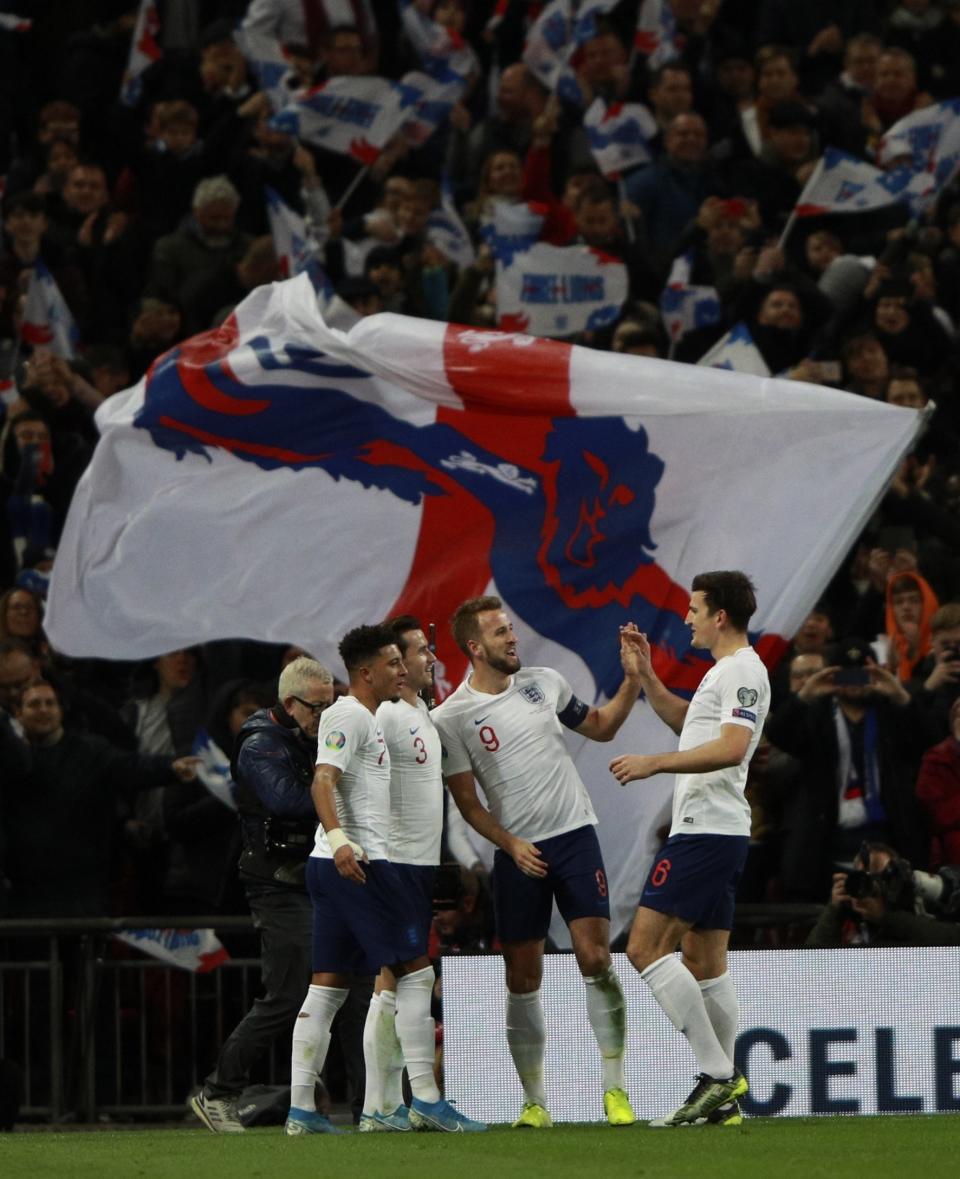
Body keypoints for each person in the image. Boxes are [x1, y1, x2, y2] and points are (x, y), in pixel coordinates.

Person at [433, 595, 642, 1130]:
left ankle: (615, 1091)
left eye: (510, 629)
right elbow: (468, 804)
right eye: (501, 633)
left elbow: (600, 726)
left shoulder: (543, 682)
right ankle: (534, 1102)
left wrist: (633, 680)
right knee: (522, 977)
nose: (512, 639)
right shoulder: (452, 717)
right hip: (519, 854)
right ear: (476, 647)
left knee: (596, 958)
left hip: (574, 837)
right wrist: (509, 843)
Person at [287, 624, 485, 1135]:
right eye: (394, 662)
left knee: (328, 987)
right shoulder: (350, 715)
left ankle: (304, 1109)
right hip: (359, 865)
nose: (401, 670)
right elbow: (322, 779)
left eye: (404, 660)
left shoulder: (372, 718)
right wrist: (341, 840)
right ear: (366, 672)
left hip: (340, 864)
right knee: (416, 976)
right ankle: (425, 1099)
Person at [610, 571, 770, 1128]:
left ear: (719, 615)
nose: (686, 617)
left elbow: (730, 747)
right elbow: (692, 725)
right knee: (704, 962)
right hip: (717, 830)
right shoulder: (723, 673)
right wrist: (648, 676)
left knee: (643, 948)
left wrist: (654, 763)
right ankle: (723, 1099)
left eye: (694, 608)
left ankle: (718, 1074)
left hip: (706, 830)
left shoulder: (745, 671)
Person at [190, 656, 371, 1133]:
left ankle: (369, 1106)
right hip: (277, 882)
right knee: (289, 992)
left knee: (354, 992)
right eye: (316, 709)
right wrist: (346, 789)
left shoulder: (304, 735)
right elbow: (286, 800)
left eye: (330, 707)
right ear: (289, 704)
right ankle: (218, 1091)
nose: (324, 718)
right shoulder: (259, 744)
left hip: (315, 875)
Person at [360, 615, 443, 1133]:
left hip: (419, 863)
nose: (430, 658)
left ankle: (380, 1108)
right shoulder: (389, 715)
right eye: (419, 651)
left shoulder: (422, 712)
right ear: (398, 664)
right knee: (408, 978)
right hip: (396, 862)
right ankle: (409, 1103)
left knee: (388, 985)